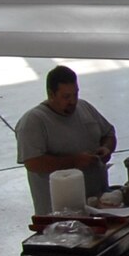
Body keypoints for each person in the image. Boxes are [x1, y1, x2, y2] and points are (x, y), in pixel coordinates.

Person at [15, 65, 116, 214]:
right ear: (51, 94)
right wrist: (73, 161)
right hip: (59, 215)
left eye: (75, 94)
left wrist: (106, 148)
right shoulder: (34, 121)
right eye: (66, 97)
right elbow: (33, 162)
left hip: (97, 206)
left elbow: (109, 133)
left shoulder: (84, 107)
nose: (73, 101)